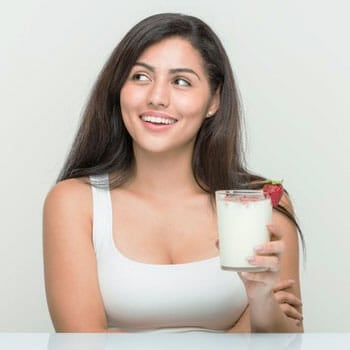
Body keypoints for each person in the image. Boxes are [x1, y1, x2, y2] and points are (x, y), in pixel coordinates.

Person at [43, 13, 304, 333]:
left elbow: (285, 343)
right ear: (118, 89)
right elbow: (83, 343)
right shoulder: (75, 203)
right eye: (140, 77)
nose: (156, 97)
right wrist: (230, 335)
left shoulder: (262, 203)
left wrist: (262, 297)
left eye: (181, 81)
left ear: (214, 100)